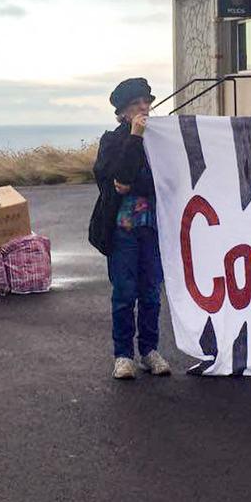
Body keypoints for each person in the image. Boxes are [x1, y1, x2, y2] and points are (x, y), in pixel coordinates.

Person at [90, 77, 170, 380]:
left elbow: (159, 181)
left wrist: (132, 184)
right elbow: (116, 176)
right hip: (122, 230)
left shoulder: (160, 140)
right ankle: (123, 355)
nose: (144, 107)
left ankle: (149, 350)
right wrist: (135, 137)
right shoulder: (111, 142)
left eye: (146, 102)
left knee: (151, 291)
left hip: (151, 228)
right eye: (137, 104)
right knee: (124, 293)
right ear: (123, 111)